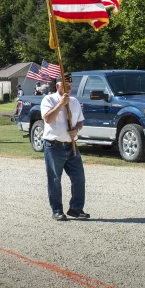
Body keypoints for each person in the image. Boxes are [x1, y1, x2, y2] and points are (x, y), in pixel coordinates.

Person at [41, 73, 87, 221]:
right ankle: (57, 210)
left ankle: (76, 208)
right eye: (66, 86)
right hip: (54, 145)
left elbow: (80, 121)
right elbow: (48, 119)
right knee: (55, 179)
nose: (69, 89)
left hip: (71, 144)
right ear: (58, 86)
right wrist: (61, 103)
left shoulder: (74, 102)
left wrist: (77, 130)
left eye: (71, 87)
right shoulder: (48, 99)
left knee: (79, 177)